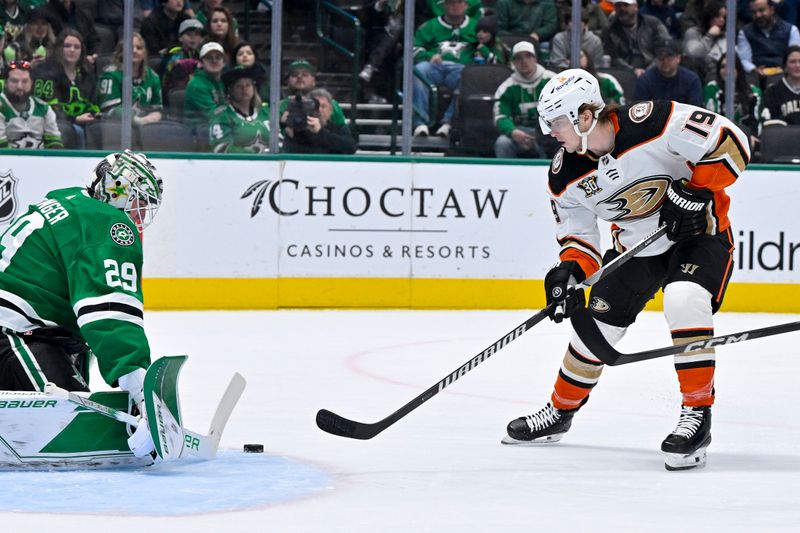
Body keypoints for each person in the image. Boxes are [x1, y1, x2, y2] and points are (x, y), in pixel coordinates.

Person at [501, 69, 750, 472]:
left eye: (557, 122)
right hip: (637, 247)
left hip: (700, 236)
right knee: (593, 331)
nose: (551, 132)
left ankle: (697, 416)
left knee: (684, 299)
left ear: (585, 116)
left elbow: (730, 142)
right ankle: (560, 411)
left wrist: (695, 191)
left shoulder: (653, 121)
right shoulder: (564, 173)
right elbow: (579, 238)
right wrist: (569, 271)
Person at [0, 150, 164, 459]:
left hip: (25, 328)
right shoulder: (103, 221)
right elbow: (109, 312)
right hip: (10, 334)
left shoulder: (70, 202)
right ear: (116, 191)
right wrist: (140, 387)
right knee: (71, 420)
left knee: (71, 346)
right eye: (137, 200)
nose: (140, 214)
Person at [411, 0, 478, 138]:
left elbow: (489, 46)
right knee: (418, 70)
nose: (455, 6)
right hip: (434, 67)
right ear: (444, 5)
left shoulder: (475, 26)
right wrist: (429, 55)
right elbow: (413, 49)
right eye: (451, 2)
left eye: (460, 2)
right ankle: (420, 123)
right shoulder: (429, 26)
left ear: (466, 5)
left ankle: (448, 122)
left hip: (460, 69)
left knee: (469, 76)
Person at [31, 28, 99, 147]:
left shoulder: (87, 75)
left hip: (85, 122)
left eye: (77, 47)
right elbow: (43, 106)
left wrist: (94, 114)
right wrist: (74, 119)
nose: (72, 50)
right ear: (59, 48)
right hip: (56, 123)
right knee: (76, 131)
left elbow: (93, 102)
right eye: (67, 46)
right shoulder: (44, 73)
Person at [492, 40, 555, 158]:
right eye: (519, 58)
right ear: (513, 63)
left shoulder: (552, 81)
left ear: (535, 59)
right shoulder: (506, 88)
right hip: (520, 133)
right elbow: (500, 116)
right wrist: (513, 132)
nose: (524, 61)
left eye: (528, 56)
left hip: (549, 133)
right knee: (503, 143)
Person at [97, 32, 163, 127]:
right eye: (130, 48)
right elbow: (110, 109)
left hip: (146, 127)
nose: (135, 51)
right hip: (116, 127)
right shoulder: (110, 75)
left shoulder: (153, 76)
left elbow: (157, 108)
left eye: (139, 48)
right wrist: (138, 121)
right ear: (121, 52)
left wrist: (153, 117)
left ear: (144, 53)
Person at [208, 64, 271, 153]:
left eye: (248, 85)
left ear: (254, 89)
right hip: (235, 166)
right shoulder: (222, 115)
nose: (244, 89)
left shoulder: (265, 112)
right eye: (239, 86)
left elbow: (279, 142)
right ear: (230, 90)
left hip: (270, 165)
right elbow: (220, 148)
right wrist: (255, 155)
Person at [704, 53, 762, 148]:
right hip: (718, 140)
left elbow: (756, 121)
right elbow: (712, 119)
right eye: (723, 67)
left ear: (738, 69)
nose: (726, 70)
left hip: (747, 140)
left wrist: (750, 136)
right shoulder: (712, 88)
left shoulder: (754, 92)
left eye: (731, 66)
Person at [0, 59, 62, 147]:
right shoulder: (1, 106)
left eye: (25, 81)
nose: (19, 86)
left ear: (32, 83)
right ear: (5, 83)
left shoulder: (43, 108)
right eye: (14, 81)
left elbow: (55, 142)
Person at [602, 0, 670, 77]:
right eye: (618, 6)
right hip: (624, 74)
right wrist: (633, 70)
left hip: (655, 71)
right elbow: (612, 57)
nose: (622, 9)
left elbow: (665, 48)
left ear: (635, 7)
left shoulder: (654, 24)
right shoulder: (610, 30)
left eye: (626, 5)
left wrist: (649, 70)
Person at [281, 87, 356, 154]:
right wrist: (285, 127)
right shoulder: (298, 129)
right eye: (315, 106)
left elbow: (351, 148)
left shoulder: (338, 129)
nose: (319, 110)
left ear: (331, 110)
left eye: (323, 106)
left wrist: (320, 132)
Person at [633, 38, 703, 107]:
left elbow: (695, 109)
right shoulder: (645, 80)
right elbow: (639, 110)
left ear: (678, 58)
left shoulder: (691, 79)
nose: (665, 61)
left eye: (669, 57)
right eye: (661, 57)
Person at [279, 59, 346, 130]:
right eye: (294, 75)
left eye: (305, 74)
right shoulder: (279, 106)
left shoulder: (330, 104)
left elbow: (344, 135)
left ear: (314, 81)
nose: (299, 76)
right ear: (288, 81)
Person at [737, 0, 800, 75]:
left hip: (785, 74)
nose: (758, 15)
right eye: (754, 12)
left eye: (761, 10)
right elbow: (744, 60)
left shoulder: (791, 30)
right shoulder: (745, 32)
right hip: (756, 75)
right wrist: (754, 69)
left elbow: (795, 56)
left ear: (772, 10)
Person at [183, 40, 226, 129]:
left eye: (218, 58)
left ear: (224, 63)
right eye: (209, 58)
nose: (214, 61)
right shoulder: (196, 84)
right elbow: (212, 115)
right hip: (198, 132)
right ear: (201, 63)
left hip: (220, 127)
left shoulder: (225, 81)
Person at [682, 0, 727, 82]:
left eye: (724, 17)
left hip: (722, 76)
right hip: (700, 76)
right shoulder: (693, 32)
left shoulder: (726, 36)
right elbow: (694, 54)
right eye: (718, 16)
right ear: (709, 17)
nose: (721, 20)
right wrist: (709, 36)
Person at [160, 18, 204, 100]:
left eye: (197, 34)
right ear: (180, 37)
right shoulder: (174, 52)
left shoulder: (202, 54)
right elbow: (172, 68)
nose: (193, 37)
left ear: (201, 39)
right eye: (188, 34)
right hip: (175, 94)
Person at [762, 45, 800, 125]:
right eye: (793, 62)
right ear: (785, 66)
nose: (797, 65)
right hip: (785, 135)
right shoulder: (772, 92)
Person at [495, 0, 559, 46]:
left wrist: (538, 33)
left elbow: (551, 25)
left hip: (537, 40)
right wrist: (516, 39)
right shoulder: (503, 2)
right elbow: (500, 28)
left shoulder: (547, 2)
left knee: (546, 46)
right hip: (510, 38)